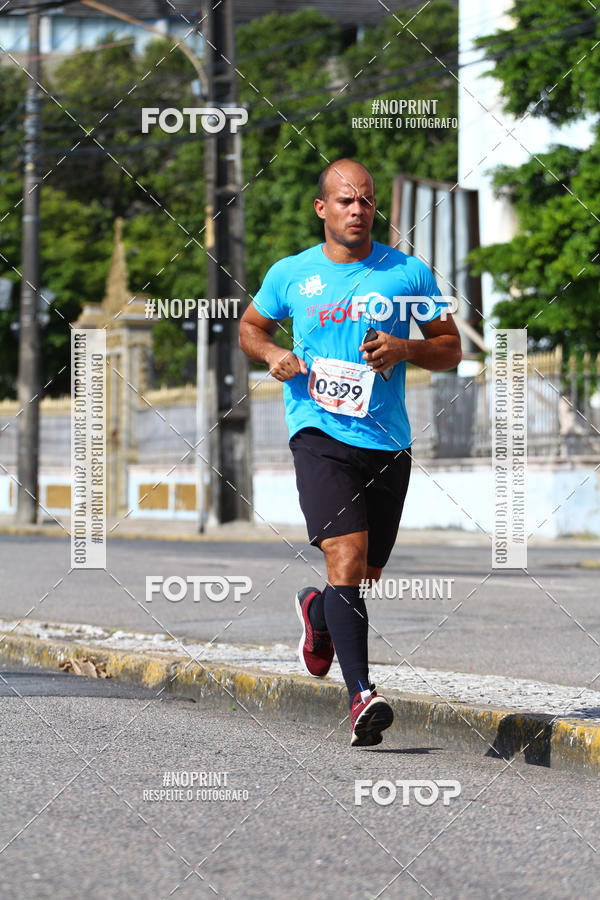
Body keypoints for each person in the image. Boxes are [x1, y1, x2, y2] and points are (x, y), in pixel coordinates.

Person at [239, 159, 461, 746]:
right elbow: (250, 328)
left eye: (365, 201)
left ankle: (316, 613)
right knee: (345, 555)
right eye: (345, 201)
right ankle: (362, 695)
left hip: (387, 440)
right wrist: (271, 356)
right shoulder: (292, 274)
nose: (357, 210)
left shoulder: (408, 273)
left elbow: (450, 349)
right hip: (318, 433)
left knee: (363, 574)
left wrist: (406, 348)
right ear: (322, 209)